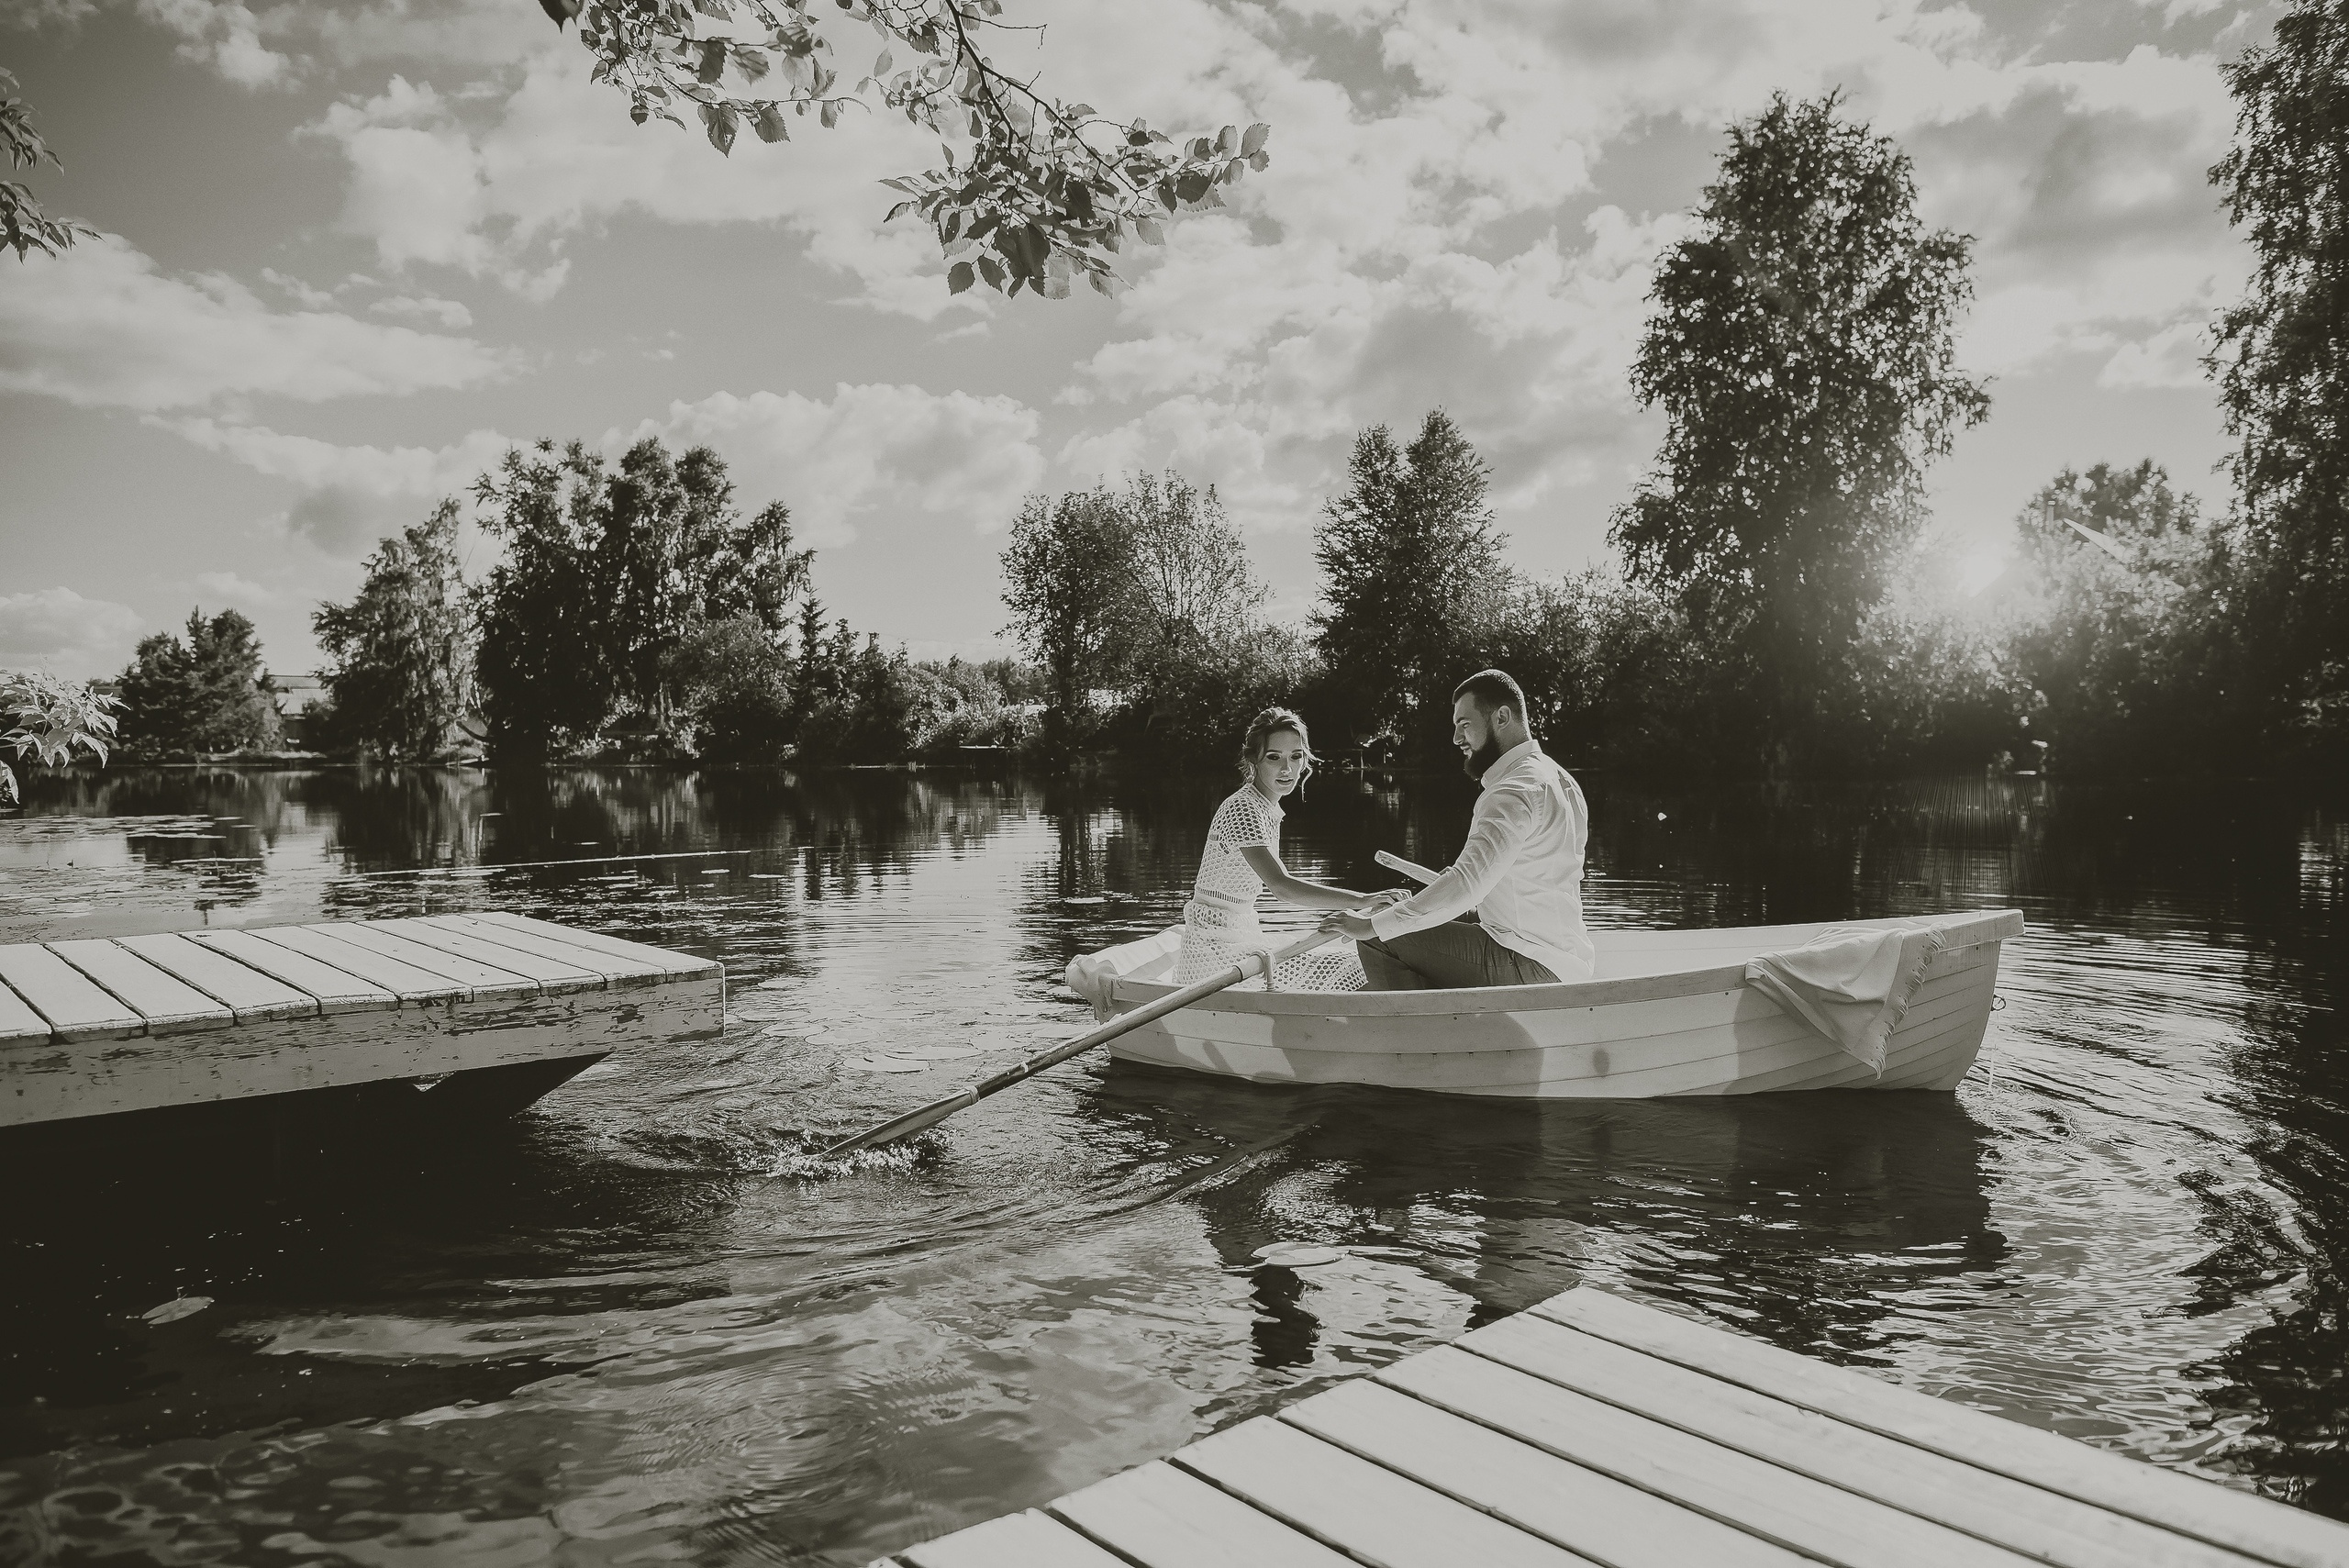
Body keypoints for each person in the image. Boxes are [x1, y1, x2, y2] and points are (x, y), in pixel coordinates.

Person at [1327, 669, 1593, 989]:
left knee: (1378, 936)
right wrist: (1420, 905)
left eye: (1464, 725)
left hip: (1528, 963)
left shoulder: (1510, 790)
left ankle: (1418, 1031)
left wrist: (1370, 925)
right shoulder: (1561, 779)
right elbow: (1519, 878)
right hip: (1568, 959)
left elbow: (1467, 885)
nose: (1456, 739)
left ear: (1502, 717)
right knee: (1405, 916)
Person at [1172, 706, 1396, 991]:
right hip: (1211, 951)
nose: (1287, 769)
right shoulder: (1243, 808)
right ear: (1254, 760)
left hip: (1240, 936)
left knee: (1360, 963)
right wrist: (1363, 900)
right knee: (1355, 968)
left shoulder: (1267, 808)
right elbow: (1282, 887)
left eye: (1295, 757)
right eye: (1274, 757)